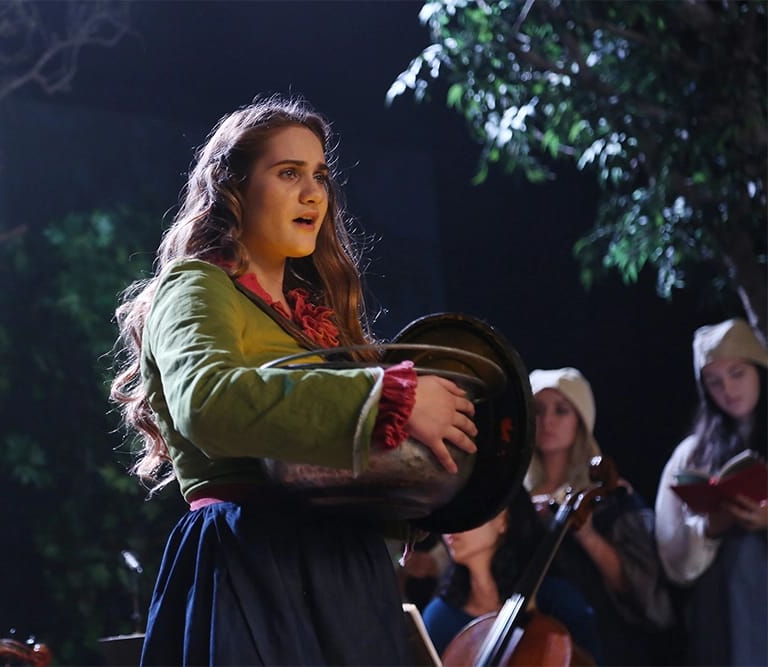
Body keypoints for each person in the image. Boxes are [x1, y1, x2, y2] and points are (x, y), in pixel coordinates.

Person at [109, 94, 479, 665]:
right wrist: (391, 397)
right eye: (288, 173)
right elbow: (206, 403)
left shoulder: (315, 320)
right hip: (255, 561)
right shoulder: (197, 285)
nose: (313, 194)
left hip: (343, 568)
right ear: (233, 188)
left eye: (320, 176)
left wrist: (420, 481)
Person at [525, 367, 674, 665]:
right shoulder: (518, 497)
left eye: (561, 410)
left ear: (580, 420)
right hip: (531, 637)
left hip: (597, 638)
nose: (547, 421)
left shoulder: (609, 497)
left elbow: (637, 588)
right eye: (538, 410)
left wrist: (587, 535)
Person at [654, 318, 768, 666]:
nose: (728, 389)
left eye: (737, 374)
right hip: (721, 609)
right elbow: (671, 553)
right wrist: (709, 527)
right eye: (714, 381)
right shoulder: (693, 453)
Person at [420, 487, 603, 664]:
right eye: (447, 512)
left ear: (502, 518)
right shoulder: (439, 617)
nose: (451, 524)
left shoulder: (556, 599)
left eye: (464, 510)